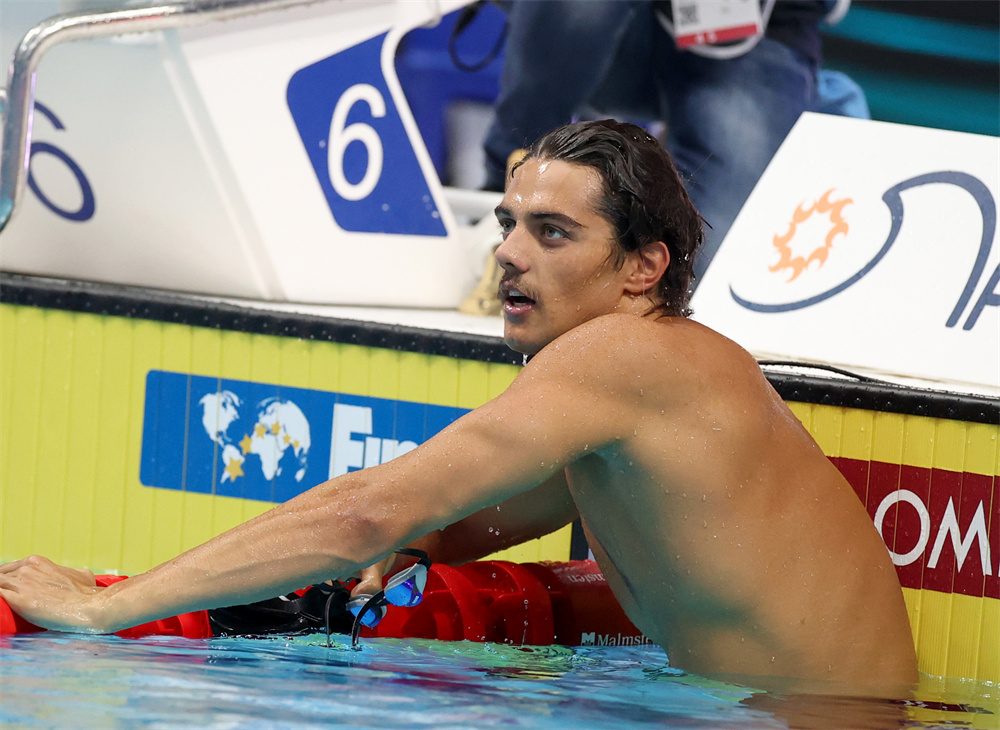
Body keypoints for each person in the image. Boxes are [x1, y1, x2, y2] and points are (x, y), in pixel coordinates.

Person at [0, 120, 915, 694]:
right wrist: (421, 543)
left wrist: (108, 608)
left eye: (552, 233)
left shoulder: (626, 357)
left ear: (644, 267)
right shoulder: (650, 388)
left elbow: (365, 512)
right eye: (508, 224)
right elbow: (464, 519)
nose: (509, 252)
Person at [481, 0, 868, 283]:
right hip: (610, 26)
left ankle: (819, 103)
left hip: (754, 33)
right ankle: (504, 184)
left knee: (707, 272)